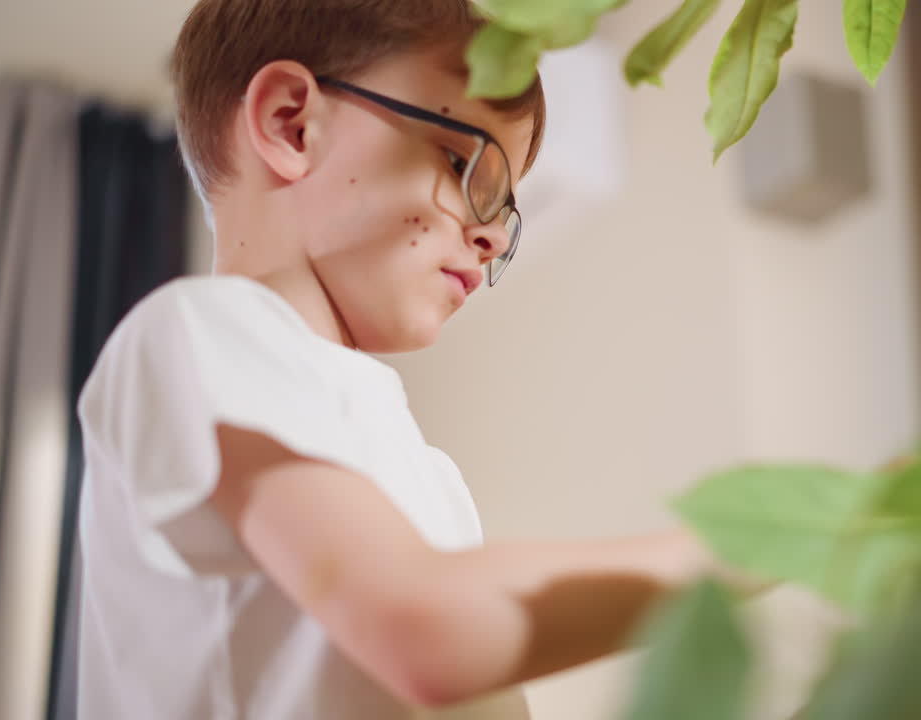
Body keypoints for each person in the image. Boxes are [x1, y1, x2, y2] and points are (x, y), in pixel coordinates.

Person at [74, 1, 745, 718]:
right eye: (469, 166)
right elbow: (428, 630)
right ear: (290, 123)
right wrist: (775, 541)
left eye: (504, 209)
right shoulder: (198, 332)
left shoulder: (428, 476)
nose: (490, 236)